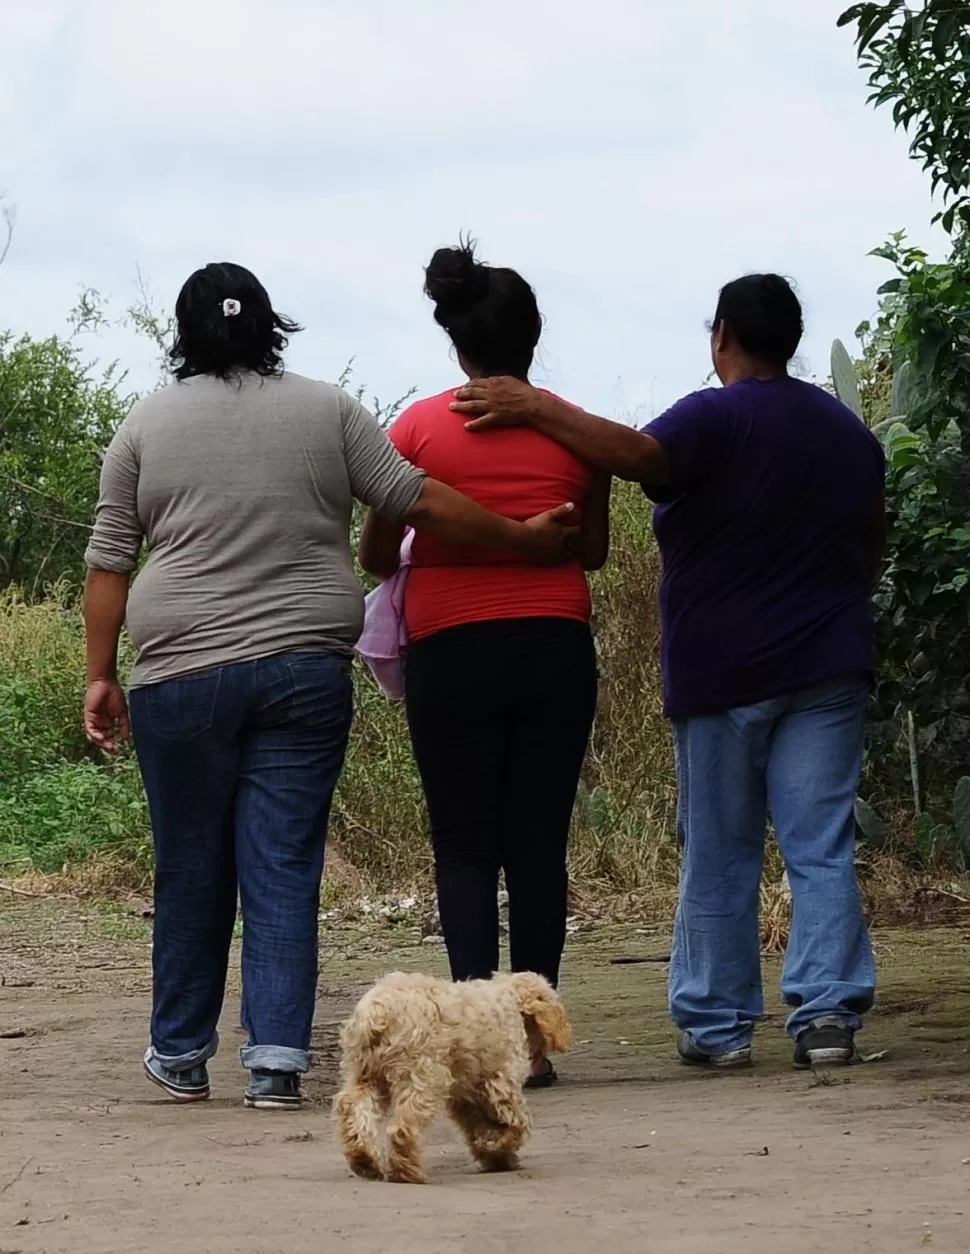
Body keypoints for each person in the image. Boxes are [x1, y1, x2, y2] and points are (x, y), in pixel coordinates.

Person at [82, 261, 578, 1110]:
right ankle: (275, 1059)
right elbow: (418, 500)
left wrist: (98, 676)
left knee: (191, 863)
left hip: (179, 674)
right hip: (302, 668)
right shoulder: (328, 409)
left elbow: (110, 561)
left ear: (186, 333)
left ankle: (182, 1051)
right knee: (281, 861)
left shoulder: (143, 425)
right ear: (269, 324)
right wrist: (521, 539)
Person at [451, 273, 886, 1072]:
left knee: (721, 850)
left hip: (725, 672)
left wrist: (534, 405)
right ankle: (827, 1020)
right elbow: (869, 544)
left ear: (721, 334)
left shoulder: (713, 417)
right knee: (819, 847)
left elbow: (640, 456)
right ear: (790, 339)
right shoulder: (847, 433)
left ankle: (718, 1029)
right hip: (828, 668)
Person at [359, 240, 610, 1087]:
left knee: (464, 848)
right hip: (553, 649)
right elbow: (600, 551)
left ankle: (475, 1044)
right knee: (538, 847)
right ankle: (533, 1045)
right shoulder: (574, 433)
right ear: (533, 340)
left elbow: (378, 557)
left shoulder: (417, 431)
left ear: (457, 341)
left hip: (451, 655)